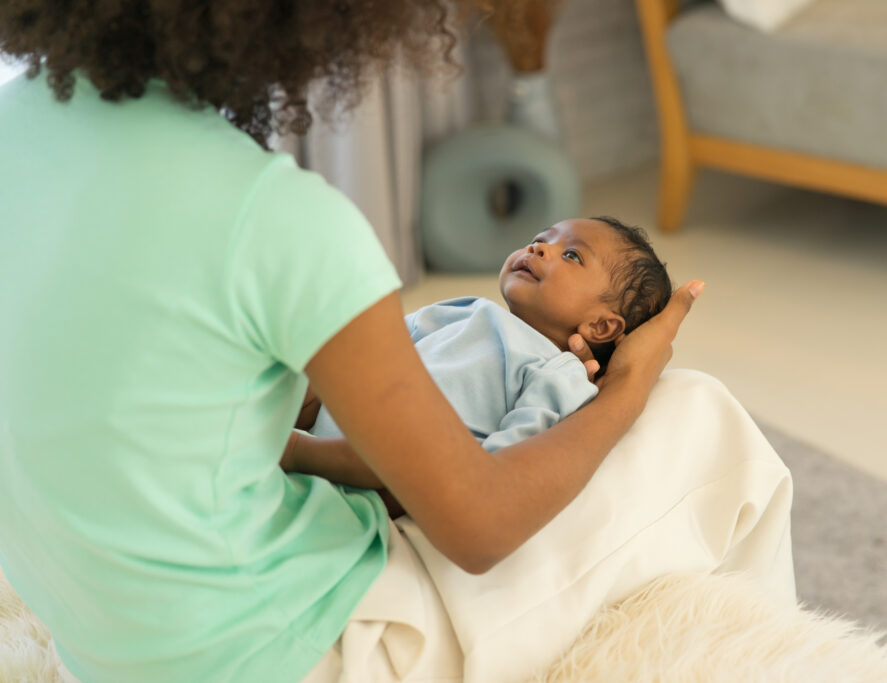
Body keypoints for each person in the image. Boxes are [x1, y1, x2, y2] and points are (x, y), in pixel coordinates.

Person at [0, 3, 794, 683]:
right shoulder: (277, 218)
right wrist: (627, 388)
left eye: (571, 253)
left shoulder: (16, 123)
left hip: (101, 638)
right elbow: (480, 528)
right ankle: (769, 657)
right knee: (700, 411)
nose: (542, 249)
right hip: (271, 650)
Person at [294, 215, 672, 480]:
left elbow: (509, 461)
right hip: (340, 420)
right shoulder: (470, 309)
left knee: (396, 458)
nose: (539, 248)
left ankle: (298, 454)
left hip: (404, 473)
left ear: (601, 326)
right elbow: (374, 349)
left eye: (571, 255)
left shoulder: (558, 373)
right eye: (542, 238)